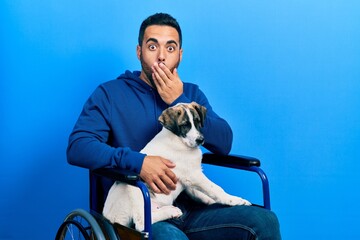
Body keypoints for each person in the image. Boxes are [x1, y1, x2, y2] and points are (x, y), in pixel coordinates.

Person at [67, 12, 281, 240]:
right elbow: (78, 147)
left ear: (180, 55)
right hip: (142, 209)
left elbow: (224, 142)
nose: (161, 56)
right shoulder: (110, 94)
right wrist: (139, 163)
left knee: (264, 220)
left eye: (170, 48)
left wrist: (178, 100)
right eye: (152, 47)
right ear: (139, 52)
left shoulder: (190, 95)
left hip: (193, 209)